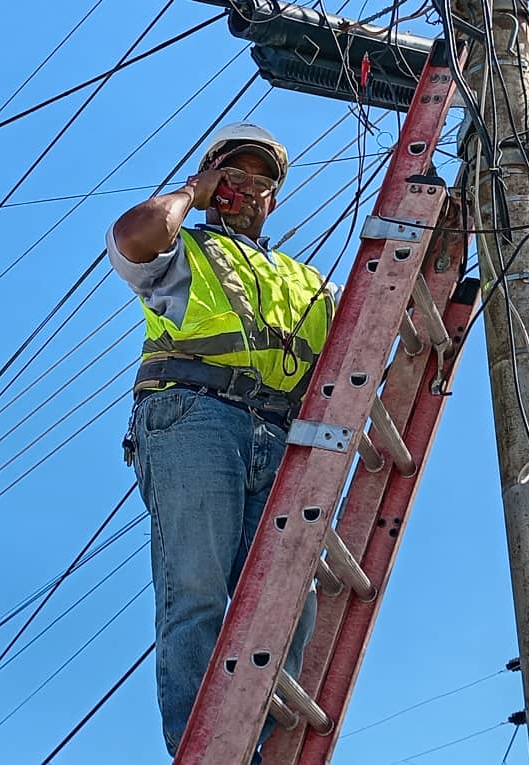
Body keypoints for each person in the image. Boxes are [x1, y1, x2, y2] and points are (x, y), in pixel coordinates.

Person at [105, 122, 336, 761]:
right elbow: (133, 236)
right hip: (193, 415)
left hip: (282, 433)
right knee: (198, 588)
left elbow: (359, 343)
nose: (247, 189)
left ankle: (250, 745)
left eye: (261, 182)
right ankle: (200, 749)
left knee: (290, 596)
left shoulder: (305, 280)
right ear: (211, 182)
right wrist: (193, 191)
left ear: (274, 200)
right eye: (233, 176)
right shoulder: (186, 249)